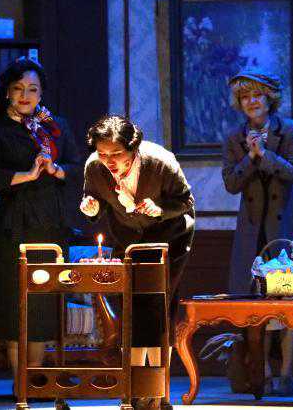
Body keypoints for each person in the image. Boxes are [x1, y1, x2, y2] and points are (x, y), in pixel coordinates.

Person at [0, 58, 81, 398]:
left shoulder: (57, 126)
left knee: (42, 303)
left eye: (32, 89)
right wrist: (26, 175)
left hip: (51, 223)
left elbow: (77, 167)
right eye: (18, 88)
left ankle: (36, 379)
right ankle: (20, 382)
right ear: (7, 92)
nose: (25, 95)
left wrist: (56, 170)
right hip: (14, 223)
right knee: (15, 304)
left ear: (41, 93)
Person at [80, 115, 195, 409]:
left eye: (116, 154)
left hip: (169, 237)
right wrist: (91, 207)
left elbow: (185, 202)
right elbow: (94, 200)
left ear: (133, 148)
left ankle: (158, 392)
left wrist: (159, 209)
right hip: (128, 238)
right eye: (103, 153)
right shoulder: (95, 167)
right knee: (131, 308)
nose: (109, 160)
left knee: (158, 307)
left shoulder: (160, 162)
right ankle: (134, 389)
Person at [222, 69, 293, 395]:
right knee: (256, 303)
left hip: (287, 229)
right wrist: (250, 156)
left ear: (269, 98)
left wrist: (265, 155)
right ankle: (266, 374)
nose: (251, 102)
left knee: (290, 300)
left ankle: (286, 374)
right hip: (252, 232)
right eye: (245, 97)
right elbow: (231, 183)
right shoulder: (234, 137)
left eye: (257, 95)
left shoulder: (290, 130)